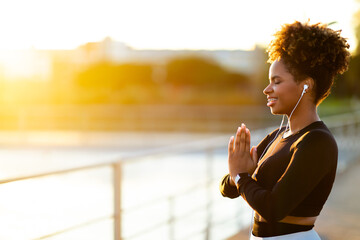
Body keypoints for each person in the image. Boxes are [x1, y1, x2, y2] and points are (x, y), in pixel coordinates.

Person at [219, 21, 350, 239]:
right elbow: (228, 188)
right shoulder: (276, 136)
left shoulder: (318, 142)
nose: (266, 89)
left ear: (305, 86)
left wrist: (241, 176)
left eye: (276, 82)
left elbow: (273, 208)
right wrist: (238, 175)